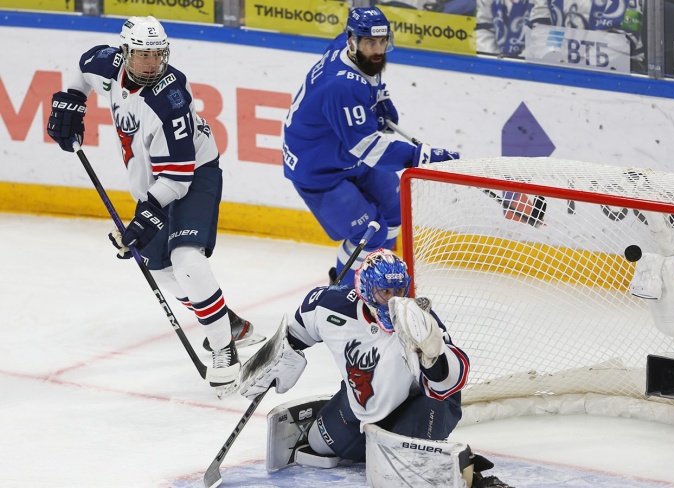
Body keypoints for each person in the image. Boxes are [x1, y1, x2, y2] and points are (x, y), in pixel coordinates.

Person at [46, 16, 258, 396]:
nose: (151, 63)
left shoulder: (170, 97)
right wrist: (72, 100)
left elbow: (178, 179)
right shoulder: (107, 65)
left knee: (187, 259)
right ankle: (227, 322)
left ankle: (224, 348)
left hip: (194, 172)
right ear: (125, 53)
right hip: (152, 183)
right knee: (158, 268)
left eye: (157, 55)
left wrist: (144, 217)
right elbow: (82, 68)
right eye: (142, 54)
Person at [240, 249, 511, 487]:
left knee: (403, 467)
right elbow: (297, 333)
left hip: (424, 402)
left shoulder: (418, 321)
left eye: (400, 291)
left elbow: (449, 383)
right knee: (321, 444)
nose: (394, 300)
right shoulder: (328, 305)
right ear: (368, 290)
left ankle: (473, 478)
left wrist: (433, 356)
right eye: (386, 292)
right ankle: (373, 440)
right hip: (366, 402)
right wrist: (275, 358)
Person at [282, 7, 460, 286]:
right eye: (370, 43)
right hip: (318, 167)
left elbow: (370, 83)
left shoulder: (352, 50)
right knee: (369, 232)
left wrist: (380, 99)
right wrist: (420, 156)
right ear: (353, 41)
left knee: (394, 213)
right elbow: (372, 150)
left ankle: (377, 283)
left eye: (382, 42)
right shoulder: (341, 86)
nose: (378, 50)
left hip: (345, 150)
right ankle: (344, 290)